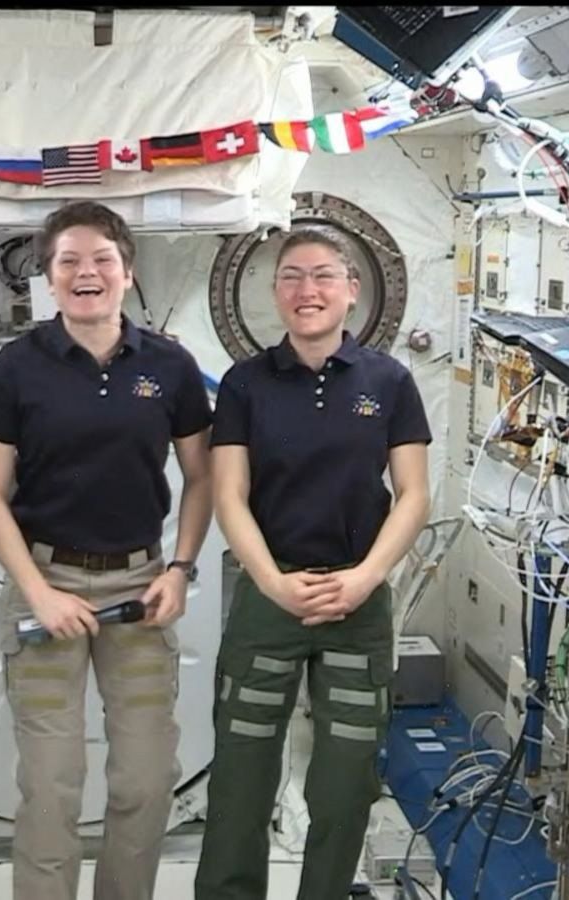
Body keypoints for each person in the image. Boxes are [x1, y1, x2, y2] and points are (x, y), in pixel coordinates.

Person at [0, 201, 214, 900]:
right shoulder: (18, 368)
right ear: (48, 279)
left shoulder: (168, 366)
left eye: (102, 259)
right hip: (44, 579)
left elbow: (201, 478)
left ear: (127, 273)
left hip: (139, 590)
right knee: (51, 788)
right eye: (69, 260)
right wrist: (38, 592)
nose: (87, 272)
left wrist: (180, 567)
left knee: (143, 778)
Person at [194, 228, 432, 899]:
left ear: (352, 291)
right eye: (292, 277)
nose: (308, 291)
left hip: (358, 601)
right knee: (241, 772)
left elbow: (414, 495)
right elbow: (229, 494)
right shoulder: (246, 384)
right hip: (270, 597)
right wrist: (272, 581)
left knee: (346, 780)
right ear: (275, 293)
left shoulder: (389, 383)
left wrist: (365, 578)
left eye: (324, 276)